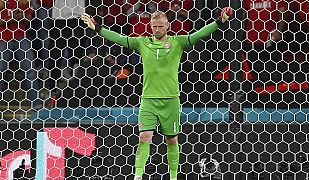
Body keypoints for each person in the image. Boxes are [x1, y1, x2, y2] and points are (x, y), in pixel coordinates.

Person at [81, 8, 232, 180]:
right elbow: (120, 39)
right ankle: (138, 176)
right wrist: (98, 28)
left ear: (167, 25)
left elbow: (199, 35)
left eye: (160, 26)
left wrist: (219, 21)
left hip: (171, 100)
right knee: (144, 137)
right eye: (154, 26)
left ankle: (173, 176)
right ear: (150, 26)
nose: (157, 29)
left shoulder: (178, 42)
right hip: (148, 100)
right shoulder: (143, 42)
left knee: (172, 140)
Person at [0, 0, 42, 109]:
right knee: (1, 70)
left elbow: (29, 21)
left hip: (21, 37)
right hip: (3, 39)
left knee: (30, 70)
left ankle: (36, 103)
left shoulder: (24, 2)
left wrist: (22, 17)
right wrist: (12, 19)